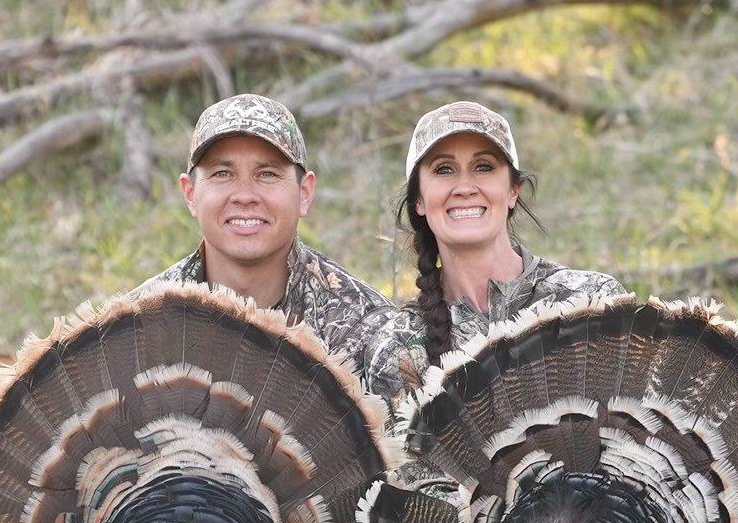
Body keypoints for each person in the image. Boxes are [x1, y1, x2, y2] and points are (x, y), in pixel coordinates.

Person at [138, 93, 419, 402]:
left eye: (267, 174)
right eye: (222, 174)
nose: (244, 195)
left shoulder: (370, 331)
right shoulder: (136, 326)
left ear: (305, 192)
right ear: (190, 194)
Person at [397, 101, 626, 365]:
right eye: (444, 169)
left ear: (513, 191)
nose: (465, 187)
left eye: (483, 166)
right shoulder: (402, 344)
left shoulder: (590, 303)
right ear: (419, 201)